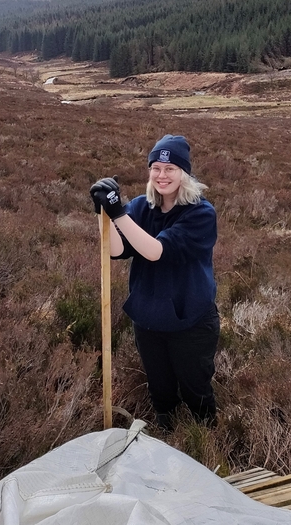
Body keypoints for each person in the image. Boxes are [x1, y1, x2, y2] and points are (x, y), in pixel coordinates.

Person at [90, 134, 219, 430]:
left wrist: (117, 212)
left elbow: (156, 251)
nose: (162, 176)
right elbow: (117, 250)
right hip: (149, 318)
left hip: (191, 321)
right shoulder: (141, 207)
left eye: (170, 169)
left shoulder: (200, 213)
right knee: (160, 389)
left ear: (184, 173)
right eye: (156, 169)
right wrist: (103, 214)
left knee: (195, 389)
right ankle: (167, 431)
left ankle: (206, 440)